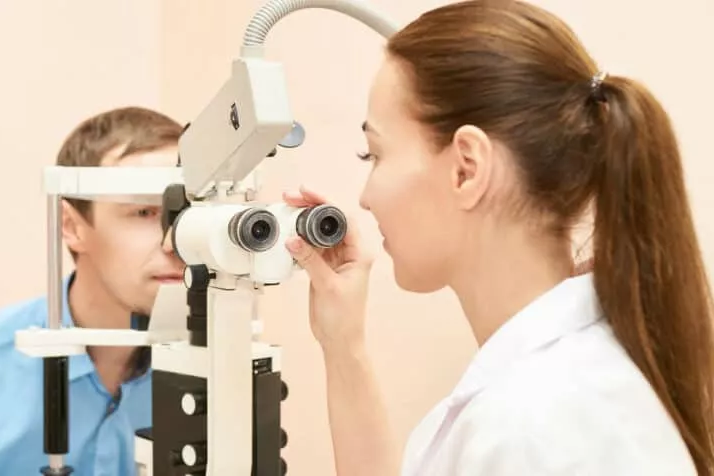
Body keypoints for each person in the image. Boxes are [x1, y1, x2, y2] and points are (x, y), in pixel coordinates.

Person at [282, 1, 714, 475]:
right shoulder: (561, 386)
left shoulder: (531, 426)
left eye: (375, 154)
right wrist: (343, 344)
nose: (366, 198)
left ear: (467, 168)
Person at [0, 106, 186, 475]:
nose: (175, 243)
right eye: (144, 212)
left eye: (185, 213)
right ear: (71, 226)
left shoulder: (218, 368)